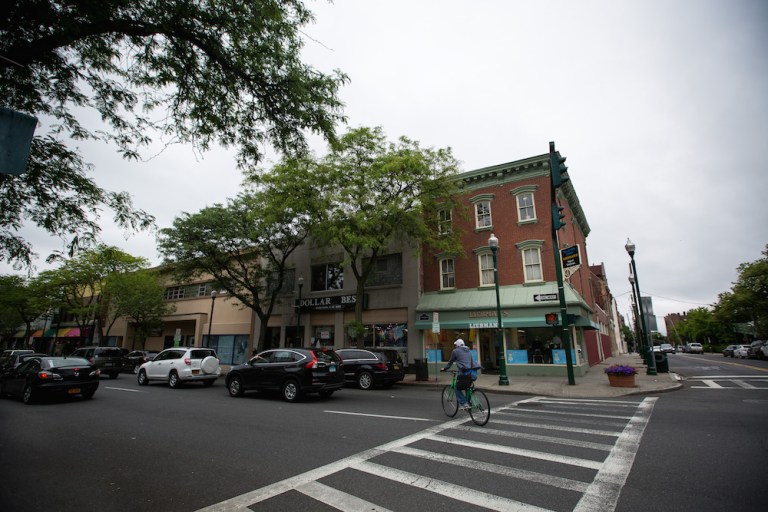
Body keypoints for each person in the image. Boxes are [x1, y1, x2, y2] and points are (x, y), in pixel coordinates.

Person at [440, 339, 480, 409]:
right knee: (466, 386)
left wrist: (445, 368)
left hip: (465, 374)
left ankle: (464, 404)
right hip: (473, 374)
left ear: (457, 346)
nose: (455, 347)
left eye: (455, 345)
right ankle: (468, 400)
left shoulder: (455, 351)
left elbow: (450, 362)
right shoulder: (468, 350)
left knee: (456, 387)